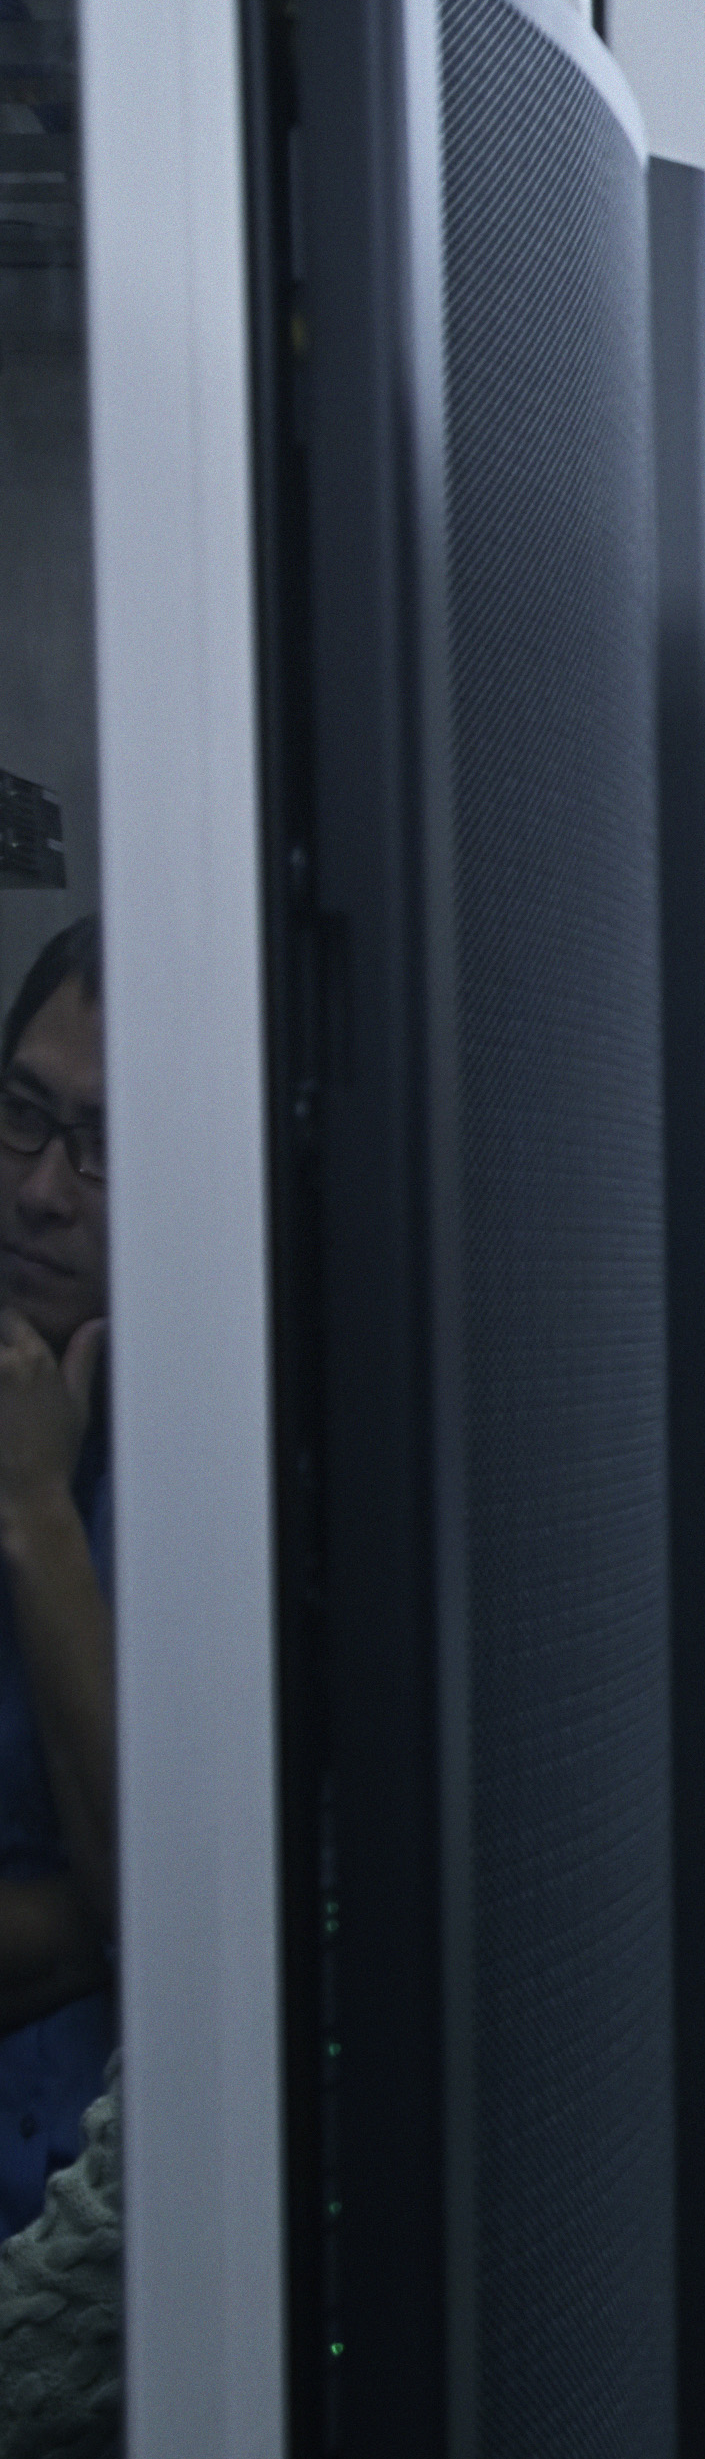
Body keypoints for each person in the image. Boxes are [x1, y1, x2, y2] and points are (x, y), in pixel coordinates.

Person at [0, 921, 115, 2240]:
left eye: (99, 1144)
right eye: (23, 1115)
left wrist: (35, 1506)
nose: (40, 1187)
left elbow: (191, 1942)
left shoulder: (246, 1483)